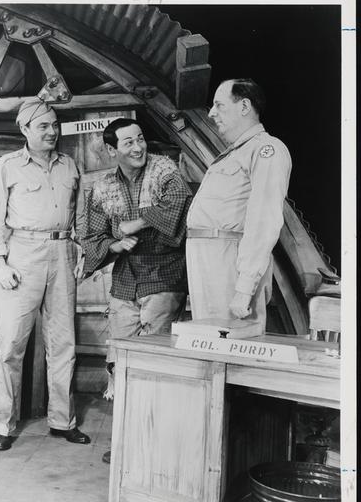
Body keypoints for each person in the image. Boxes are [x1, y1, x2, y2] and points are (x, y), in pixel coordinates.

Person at [78, 118, 192, 463]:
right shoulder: (103, 187)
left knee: (155, 364)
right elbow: (92, 237)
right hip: (125, 278)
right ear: (111, 149)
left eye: (140, 139)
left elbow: (177, 203)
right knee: (121, 363)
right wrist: (114, 244)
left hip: (164, 275)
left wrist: (134, 223)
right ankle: (127, 443)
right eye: (128, 142)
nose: (138, 147)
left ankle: (155, 447)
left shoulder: (165, 171)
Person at [0, 97, 90, 451]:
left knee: (63, 344)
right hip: (22, 255)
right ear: (24, 129)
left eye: (55, 125)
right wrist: (0, 263)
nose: (52, 132)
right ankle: (3, 424)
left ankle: (62, 421)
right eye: (43, 126)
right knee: (11, 345)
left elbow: (80, 216)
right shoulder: (8, 166)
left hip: (63, 252)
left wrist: (82, 251)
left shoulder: (70, 165)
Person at [186, 78, 292, 329]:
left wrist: (245, 287)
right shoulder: (234, 153)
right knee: (208, 338)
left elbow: (264, 220)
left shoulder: (267, 149)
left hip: (228, 262)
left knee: (231, 339)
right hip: (209, 259)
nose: (211, 113)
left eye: (219, 105)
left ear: (244, 106)